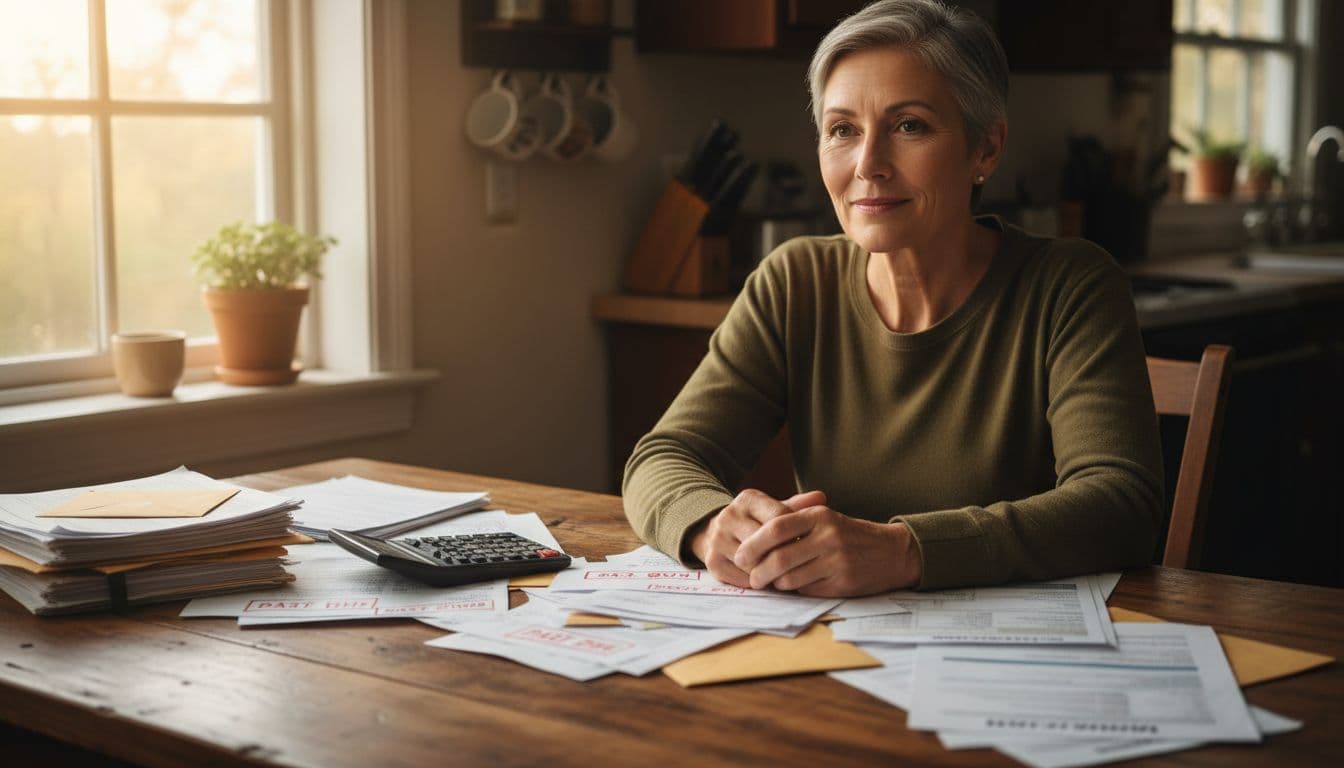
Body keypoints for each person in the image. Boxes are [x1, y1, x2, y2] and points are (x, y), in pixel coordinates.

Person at [622, 0, 1164, 598]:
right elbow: (662, 457)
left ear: (985, 149)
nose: (868, 165)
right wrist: (708, 526)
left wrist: (908, 551)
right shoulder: (794, 282)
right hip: (833, 650)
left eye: (910, 126)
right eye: (842, 130)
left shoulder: (1071, 286)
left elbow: (1121, 505)